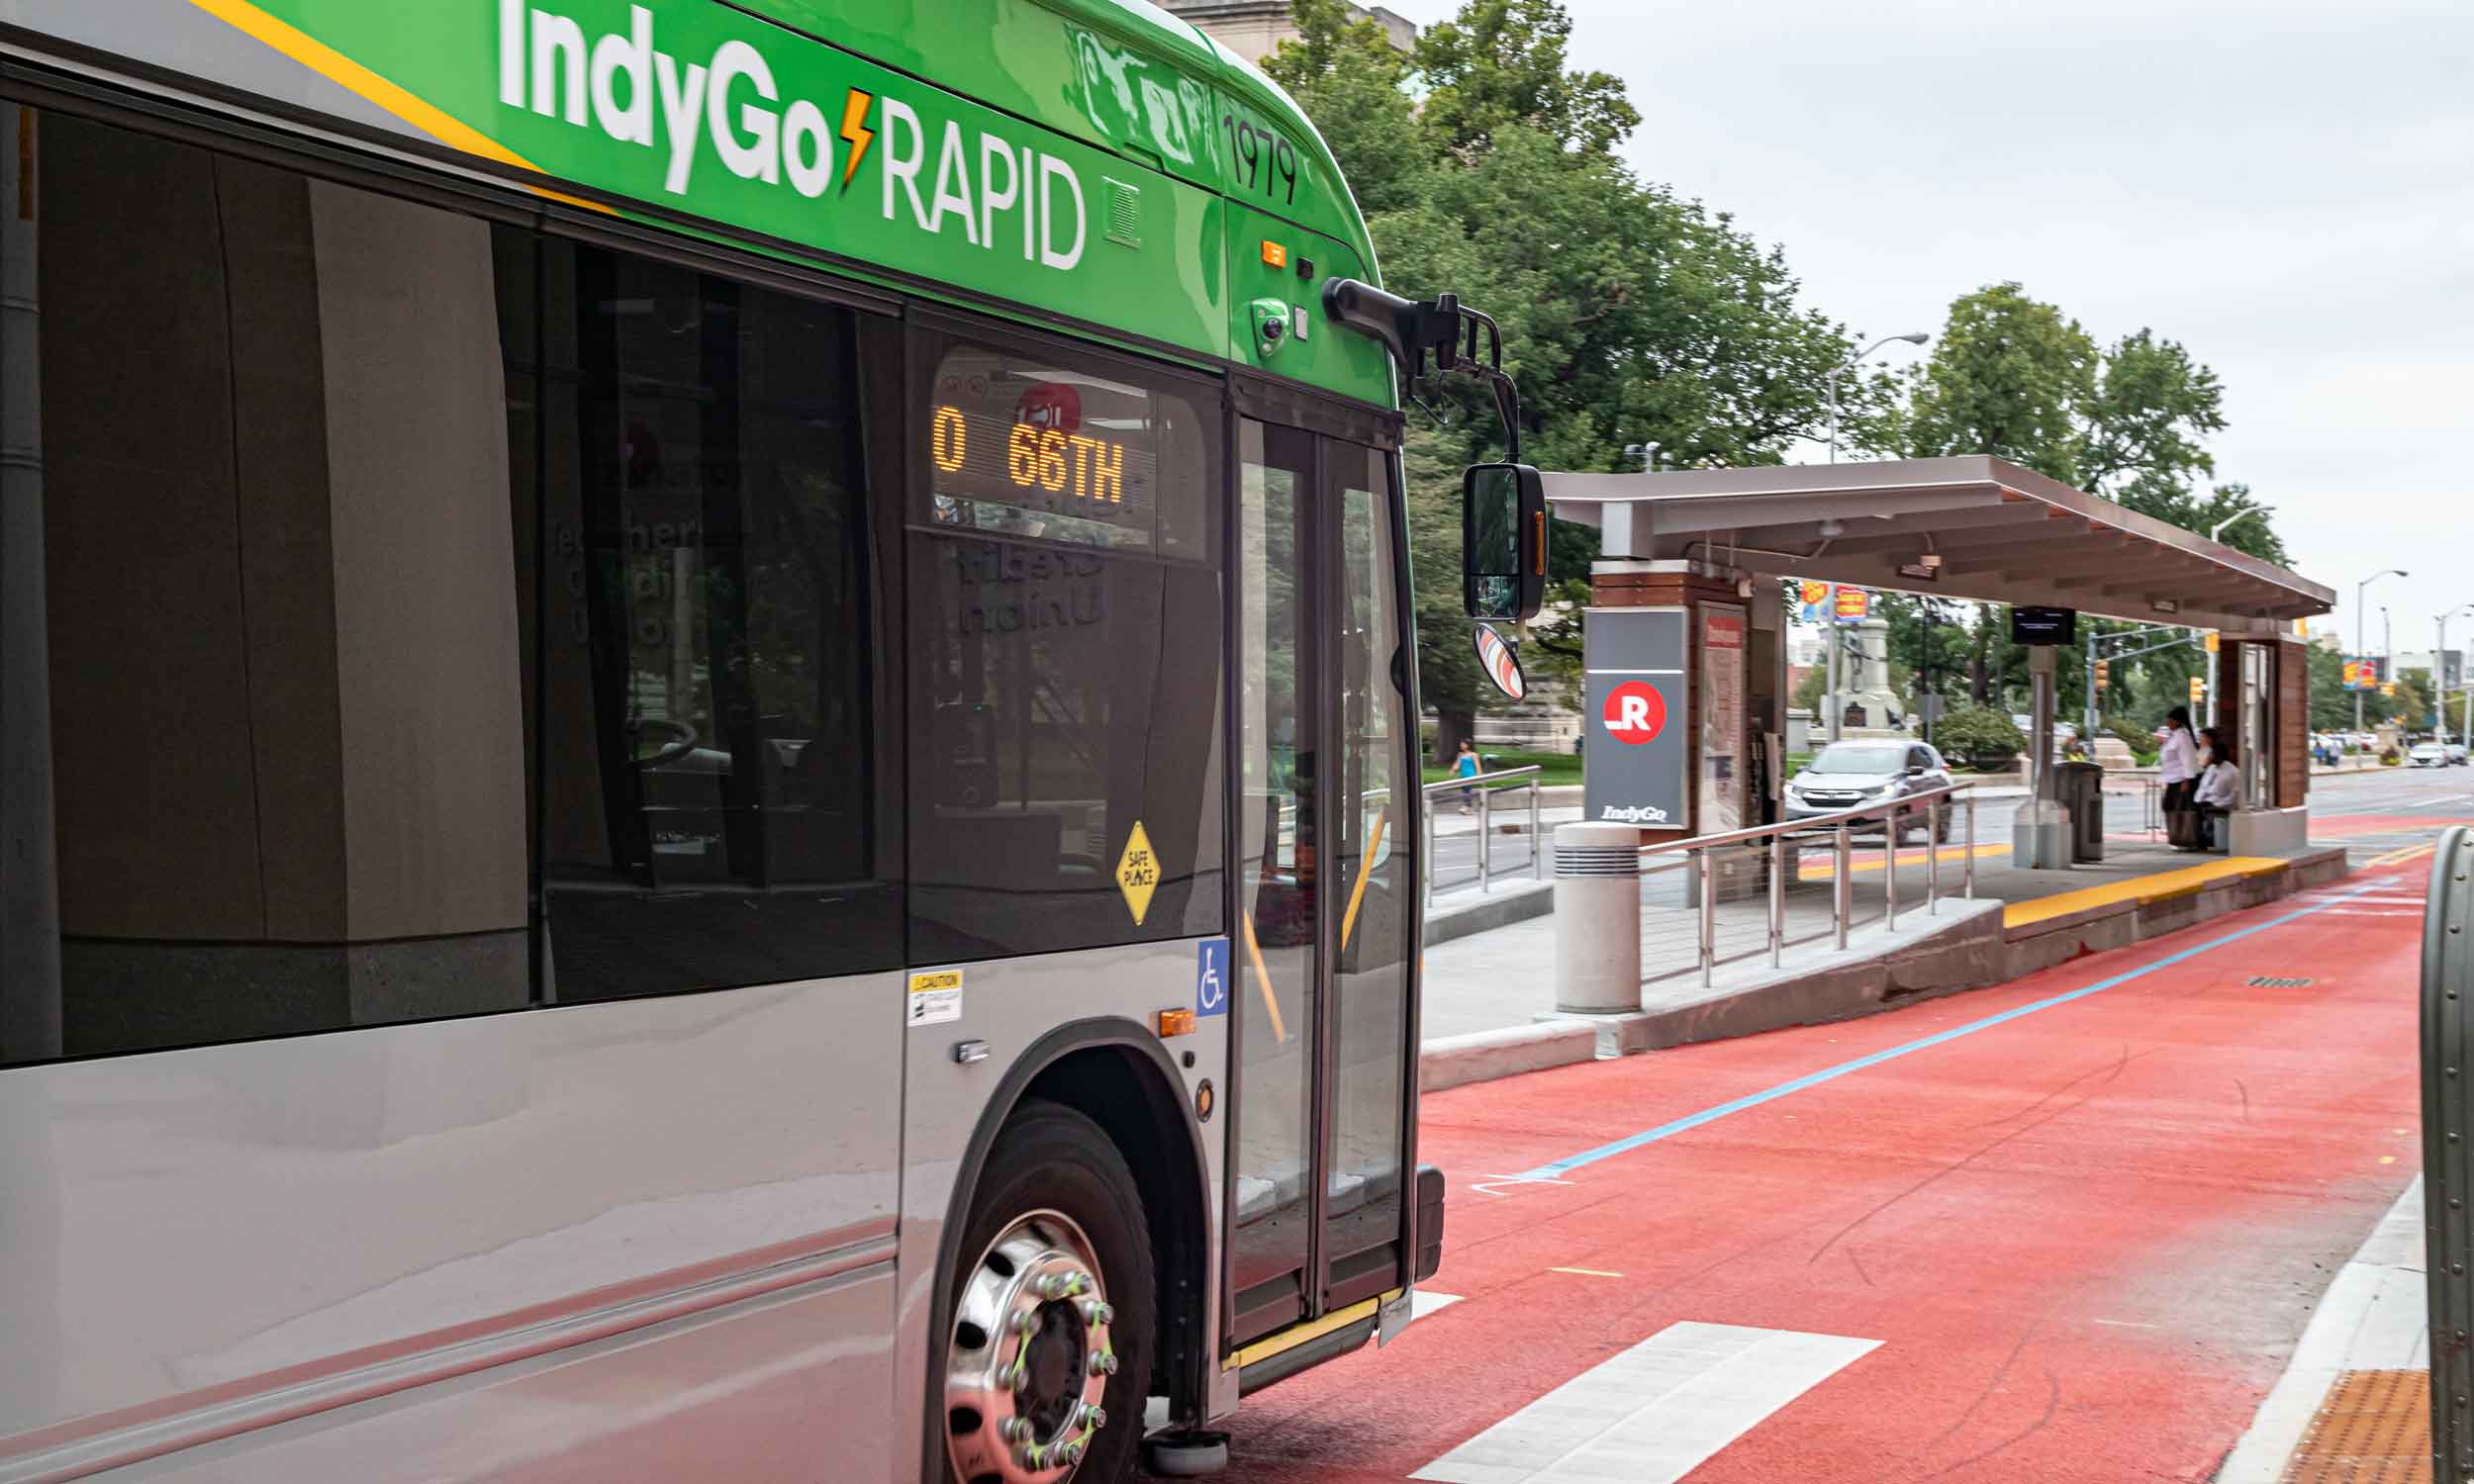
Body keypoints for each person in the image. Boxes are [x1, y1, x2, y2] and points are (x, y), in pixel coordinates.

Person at [2192, 739, 2241, 851]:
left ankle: (2201, 841)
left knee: (2199, 810)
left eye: (2211, 754)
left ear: (2218, 755)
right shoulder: (2211, 769)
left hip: (2222, 805)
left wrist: (2216, 804)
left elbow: (2234, 796)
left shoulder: (2233, 772)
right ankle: (2195, 839)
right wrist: (2198, 801)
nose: (2208, 756)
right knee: (2191, 807)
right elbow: (2202, 788)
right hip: (2205, 803)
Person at [1453, 739, 1481, 814]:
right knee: (1464, 791)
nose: (1461, 745)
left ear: (1468, 745)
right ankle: (1469, 808)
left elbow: (1477, 765)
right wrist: (1453, 769)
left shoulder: (1473, 754)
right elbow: (1457, 764)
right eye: (1461, 744)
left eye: (1463, 744)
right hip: (1463, 775)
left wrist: (1479, 776)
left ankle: (1467, 807)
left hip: (1470, 775)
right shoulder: (1460, 754)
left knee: (1467, 791)